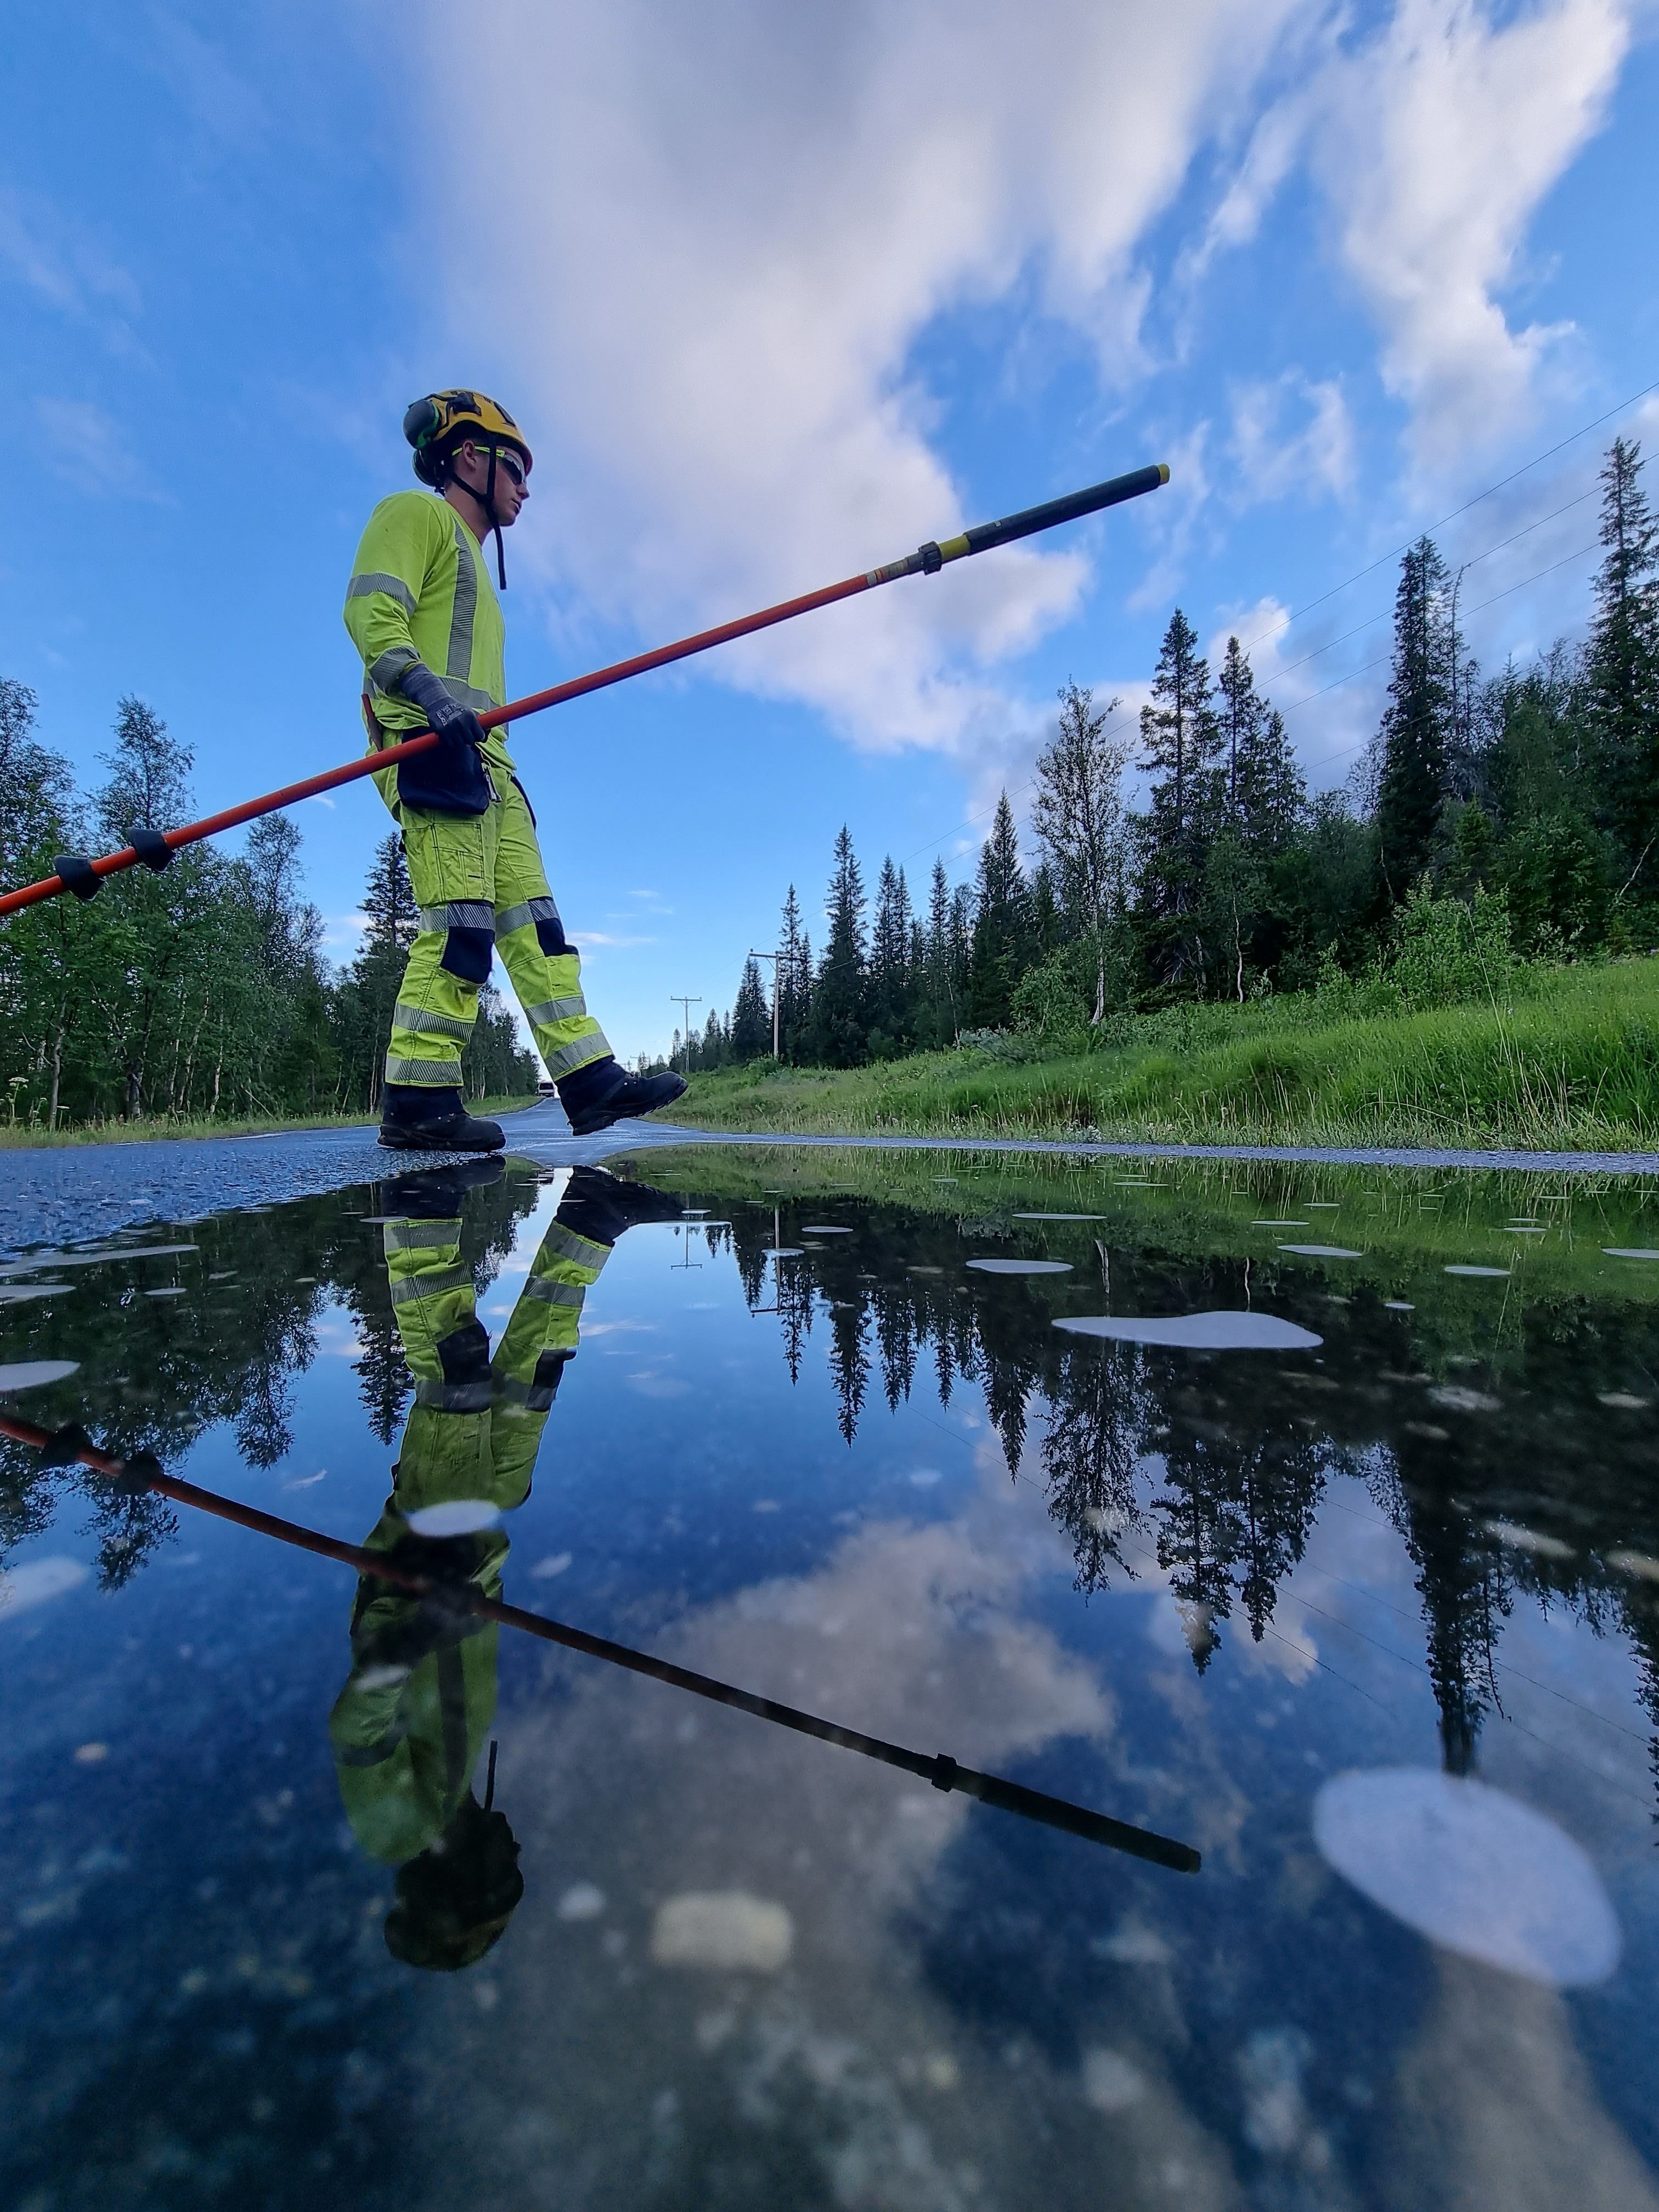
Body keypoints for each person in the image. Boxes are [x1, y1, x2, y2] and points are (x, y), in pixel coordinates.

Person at [329, 1155, 684, 1969]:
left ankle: (416, 1218)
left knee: (454, 1376)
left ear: (464, 1886)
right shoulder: (455, 1800)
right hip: (480, 1539)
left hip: (428, 1550)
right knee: (531, 1383)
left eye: (508, 1873)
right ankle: (591, 1219)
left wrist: (422, 1632)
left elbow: (357, 1720)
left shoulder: (399, 1830)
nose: (517, 1851)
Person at [343, 389, 687, 1152]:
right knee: (460, 932)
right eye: (518, 470)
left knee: (539, 932)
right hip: (431, 751)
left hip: (492, 767)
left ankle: (588, 1081)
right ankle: (417, 1101)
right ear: (471, 455)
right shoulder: (415, 515)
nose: (526, 489)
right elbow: (370, 614)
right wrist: (428, 697)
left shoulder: (476, 564)